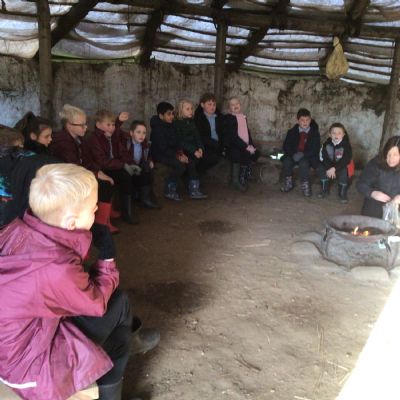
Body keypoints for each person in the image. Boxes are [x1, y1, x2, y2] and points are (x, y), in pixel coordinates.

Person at [0, 163, 159, 400]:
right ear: (71, 222)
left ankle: (127, 342)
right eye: (93, 209)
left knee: (119, 308)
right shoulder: (56, 267)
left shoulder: (16, 228)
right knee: (119, 326)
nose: (97, 211)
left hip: (19, 342)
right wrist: (107, 259)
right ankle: (126, 346)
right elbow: (96, 304)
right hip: (29, 365)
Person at [51, 104, 120, 233]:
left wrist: (98, 171)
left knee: (108, 178)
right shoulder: (63, 143)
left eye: (85, 124)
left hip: (76, 174)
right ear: (69, 125)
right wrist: (96, 174)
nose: (86, 127)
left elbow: (86, 160)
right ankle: (101, 223)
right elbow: (74, 167)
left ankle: (105, 215)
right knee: (104, 185)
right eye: (82, 125)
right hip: (67, 179)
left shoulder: (78, 139)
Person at [84, 109, 141, 225]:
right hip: (99, 169)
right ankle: (104, 220)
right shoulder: (94, 139)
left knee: (127, 176)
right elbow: (101, 161)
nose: (112, 128)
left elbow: (121, 152)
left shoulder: (111, 136)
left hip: (110, 166)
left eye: (113, 125)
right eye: (108, 125)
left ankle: (126, 212)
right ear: (98, 125)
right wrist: (123, 165)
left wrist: (130, 163)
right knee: (109, 183)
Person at [150, 101, 187, 201]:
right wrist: (178, 157)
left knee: (188, 161)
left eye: (172, 114)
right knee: (180, 166)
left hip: (170, 153)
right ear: (161, 116)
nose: (172, 116)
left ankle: (183, 186)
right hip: (160, 155)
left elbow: (177, 141)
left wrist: (181, 153)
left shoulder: (171, 125)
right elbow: (162, 149)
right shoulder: (157, 130)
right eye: (169, 114)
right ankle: (169, 188)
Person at [281, 108, 322, 197]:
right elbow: (286, 146)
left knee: (304, 163)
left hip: (307, 157)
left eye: (307, 120)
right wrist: (293, 154)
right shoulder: (291, 132)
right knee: (287, 161)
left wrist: (303, 154)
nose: (305, 122)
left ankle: (305, 185)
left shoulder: (314, 133)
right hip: (294, 155)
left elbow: (315, 149)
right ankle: (289, 183)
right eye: (302, 120)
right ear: (298, 121)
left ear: (310, 120)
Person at [357, 136, 400, 219]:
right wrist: (372, 193)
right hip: (375, 205)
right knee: (371, 224)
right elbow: (361, 184)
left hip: (396, 207)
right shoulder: (376, 164)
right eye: (388, 154)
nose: (391, 158)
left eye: (395, 155)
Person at [173, 99, 207, 199]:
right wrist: (194, 150)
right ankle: (194, 190)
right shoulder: (177, 123)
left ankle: (192, 183)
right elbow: (180, 141)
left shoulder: (191, 122)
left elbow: (197, 136)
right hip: (183, 150)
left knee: (201, 160)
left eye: (191, 109)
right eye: (187, 109)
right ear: (180, 110)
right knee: (191, 162)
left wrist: (200, 148)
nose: (190, 111)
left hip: (194, 149)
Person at [224, 96, 259, 192]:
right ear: (229, 108)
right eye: (232, 105)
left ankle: (246, 174)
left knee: (255, 152)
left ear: (240, 105)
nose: (235, 106)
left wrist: (251, 145)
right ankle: (236, 180)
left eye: (237, 103)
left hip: (244, 143)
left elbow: (247, 132)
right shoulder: (230, 119)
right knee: (238, 154)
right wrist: (245, 146)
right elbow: (233, 137)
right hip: (233, 144)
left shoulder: (243, 117)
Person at [123, 120, 160, 209]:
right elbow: (124, 157)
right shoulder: (127, 144)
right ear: (131, 133)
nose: (142, 135)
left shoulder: (145, 143)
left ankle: (145, 199)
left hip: (139, 167)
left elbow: (148, 155)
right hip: (129, 167)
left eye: (144, 133)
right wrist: (132, 165)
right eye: (138, 132)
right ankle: (134, 195)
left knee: (148, 170)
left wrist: (150, 161)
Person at [318, 122, 353, 203]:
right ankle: (324, 188)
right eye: (334, 133)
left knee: (344, 171)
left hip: (340, 165)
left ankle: (342, 192)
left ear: (343, 134)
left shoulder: (346, 145)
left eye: (339, 133)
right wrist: (328, 168)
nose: (336, 135)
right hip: (329, 165)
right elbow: (323, 157)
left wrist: (334, 168)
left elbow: (346, 159)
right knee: (321, 167)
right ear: (330, 134)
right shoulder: (326, 144)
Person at [194, 93, 225, 171]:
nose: (212, 107)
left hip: (219, 144)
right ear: (202, 105)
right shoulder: (199, 118)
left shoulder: (219, 116)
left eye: (214, 104)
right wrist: (214, 143)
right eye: (209, 104)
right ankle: (196, 173)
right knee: (211, 158)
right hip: (206, 145)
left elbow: (223, 131)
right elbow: (201, 136)